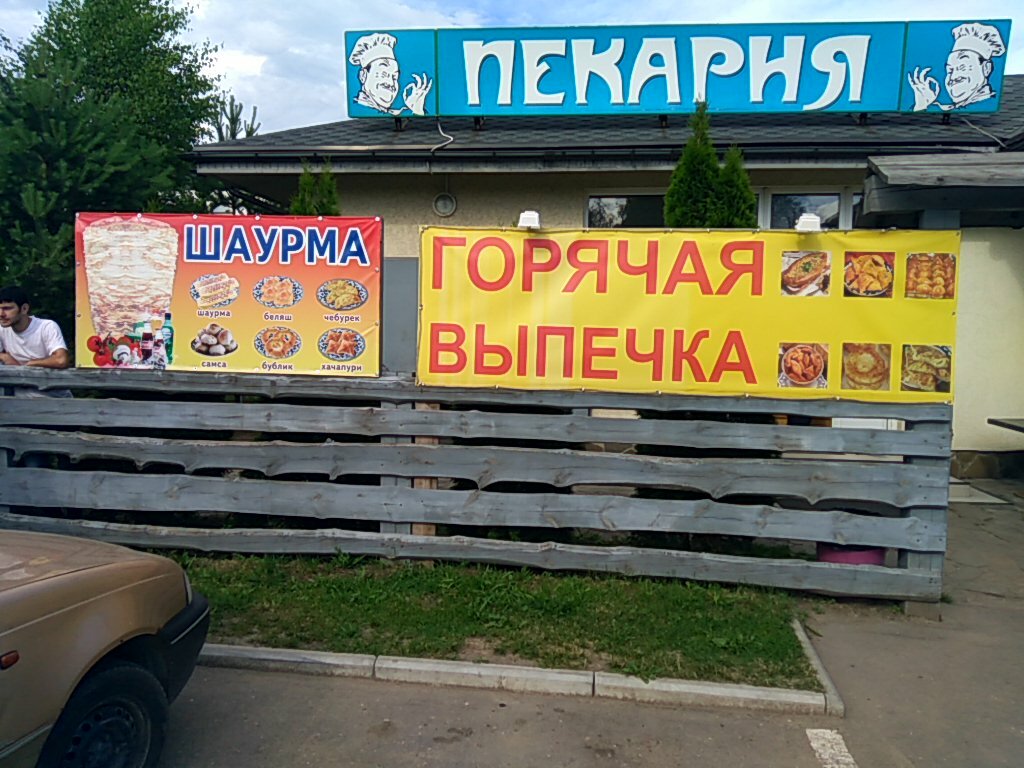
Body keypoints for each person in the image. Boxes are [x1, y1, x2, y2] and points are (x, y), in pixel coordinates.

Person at [908, 22, 1007, 112]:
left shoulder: (989, 105)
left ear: (986, 68)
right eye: (950, 70)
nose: (954, 77)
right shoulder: (941, 109)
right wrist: (921, 104)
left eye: (962, 68)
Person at [0, 285, 71, 397]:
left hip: (53, 398)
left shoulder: (46, 326)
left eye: (7, 308)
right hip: (18, 399)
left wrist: (30, 365)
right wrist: (4, 357)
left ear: (24, 309)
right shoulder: (2, 329)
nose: (1, 314)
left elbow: (61, 360)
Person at [348, 32, 432, 116]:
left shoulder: (398, 115)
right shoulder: (358, 111)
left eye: (395, 77)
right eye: (384, 75)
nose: (391, 83)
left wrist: (417, 109)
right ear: (363, 75)